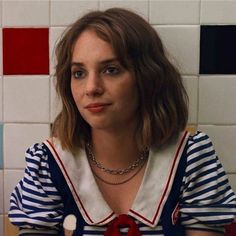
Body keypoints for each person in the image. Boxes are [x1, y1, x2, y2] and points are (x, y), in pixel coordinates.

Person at [8, 8, 236, 236]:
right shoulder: (47, 165)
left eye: (111, 70)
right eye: (79, 73)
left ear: (147, 77)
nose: (91, 88)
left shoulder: (192, 159)